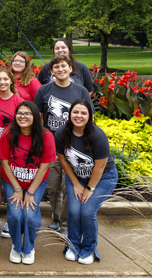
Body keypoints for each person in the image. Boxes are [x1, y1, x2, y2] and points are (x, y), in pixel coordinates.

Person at [33, 55, 94, 233]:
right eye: (56, 67)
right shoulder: (44, 90)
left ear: (70, 69)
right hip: (51, 146)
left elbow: (89, 117)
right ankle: (56, 217)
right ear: (51, 71)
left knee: (68, 188)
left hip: (72, 146)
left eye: (63, 66)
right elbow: (39, 118)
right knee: (52, 186)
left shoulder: (80, 90)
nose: (60, 70)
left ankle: (66, 223)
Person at [57, 99, 117, 265]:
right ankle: (73, 246)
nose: (79, 116)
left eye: (83, 113)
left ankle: (89, 249)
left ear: (90, 116)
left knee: (87, 212)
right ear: (69, 114)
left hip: (102, 178)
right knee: (74, 211)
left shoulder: (98, 135)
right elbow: (63, 161)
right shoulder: (61, 133)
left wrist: (89, 188)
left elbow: (100, 166)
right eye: (75, 112)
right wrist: (76, 183)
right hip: (76, 177)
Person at [0, 101, 56, 265]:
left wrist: (30, 192)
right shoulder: (8, 133)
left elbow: (44, 166)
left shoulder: (46, 136)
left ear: (35, 117)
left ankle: (29, 247)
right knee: (16, 214)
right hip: (12, 180)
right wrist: (17, 188)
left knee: (30, 216)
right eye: (20, 113)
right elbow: (4, 163)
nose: (22, 117)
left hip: (36, 182)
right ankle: (17, 247)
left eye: (27, 113)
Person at [0, 68, 23, 239]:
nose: (2, 82)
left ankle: (10, 220)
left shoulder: (19, 102)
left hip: (13, 150)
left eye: (5, 79)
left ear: (11, 81)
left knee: (10, 185)